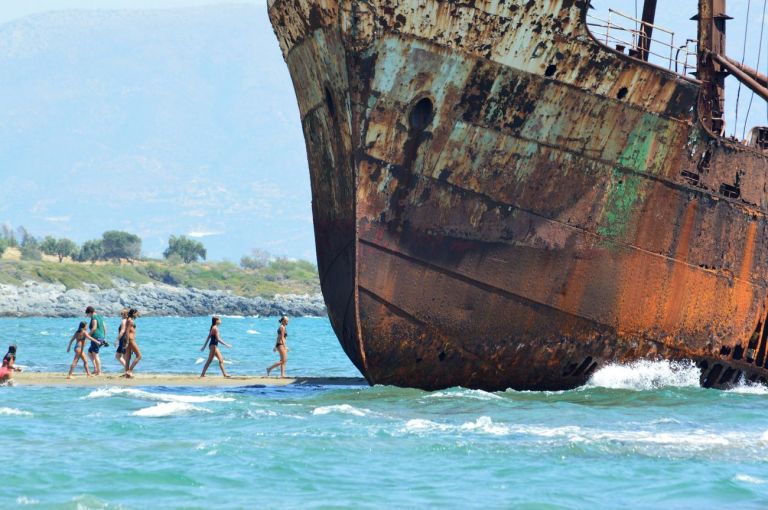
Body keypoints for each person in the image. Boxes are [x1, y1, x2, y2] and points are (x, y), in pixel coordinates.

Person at [85, 306, 108, 375]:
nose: (87, 316)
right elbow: (104, 327)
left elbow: (94, 328)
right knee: (89, 353)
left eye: (87, 314)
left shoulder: (94, 317)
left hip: (96, 337)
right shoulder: (100, 317)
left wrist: (87, 335)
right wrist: (104, 337)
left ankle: (99, 371)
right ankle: (95, 368)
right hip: (101, 337)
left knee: (95, 354)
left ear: (90, 312)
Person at [123, 309, 142, 378]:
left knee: (128, 357)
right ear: (133, 313)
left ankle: (126, 374)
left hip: (129, 339)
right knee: (139, 356)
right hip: (130, 339)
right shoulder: (130, 320)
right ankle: (129, 371)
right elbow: (127, 331)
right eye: (136, 313)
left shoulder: (129, 320)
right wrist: (127, 342)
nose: (137, 314)